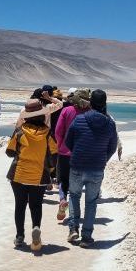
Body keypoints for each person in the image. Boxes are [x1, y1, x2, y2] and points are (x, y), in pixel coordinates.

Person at [65, 89, 118, 248]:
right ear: (105, 103)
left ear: (91, 103)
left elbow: (69, 141)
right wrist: (103, 159)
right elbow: (112, 147)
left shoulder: (79, 119)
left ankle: (73, 228)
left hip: (77, 166)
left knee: (74, 195)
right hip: (96, 168)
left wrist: (78, 153)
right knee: (91, 201)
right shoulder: (110, 124)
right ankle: (87, 237)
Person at [6, 101, 58, 252]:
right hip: (39, 176)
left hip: (19, 174)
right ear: (42, 116)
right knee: (36, 205)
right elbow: (54, 154)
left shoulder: (19, 131)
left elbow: (9, 152)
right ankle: (36, 229)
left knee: (20, 205)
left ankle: (19, 236)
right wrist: (50, 169)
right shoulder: (48, 133)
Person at [54, 89, 91, 222]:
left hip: (64, 152)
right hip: (82, 154)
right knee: (77, 183)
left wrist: (60, 146)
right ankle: (74, 212)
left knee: (63, 180)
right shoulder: (90, 113)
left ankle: (62, 199)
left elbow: (58, 132)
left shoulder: (66, 110)